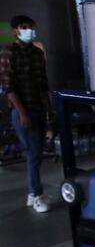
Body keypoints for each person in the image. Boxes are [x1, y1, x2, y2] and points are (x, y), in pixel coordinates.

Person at [0, 15, 54, 213]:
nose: (29, 30)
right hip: (23, 110)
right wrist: (23, 114)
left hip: (39, 107)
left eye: (31, 27)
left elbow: (43, 85)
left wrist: (49, 110)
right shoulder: (8, 53)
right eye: (24, 27)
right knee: (33, 153)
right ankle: (37, 194)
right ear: (15, 30)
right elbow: (8, 87)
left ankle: (33, 194)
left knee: (37, 151)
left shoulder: (37, 53)